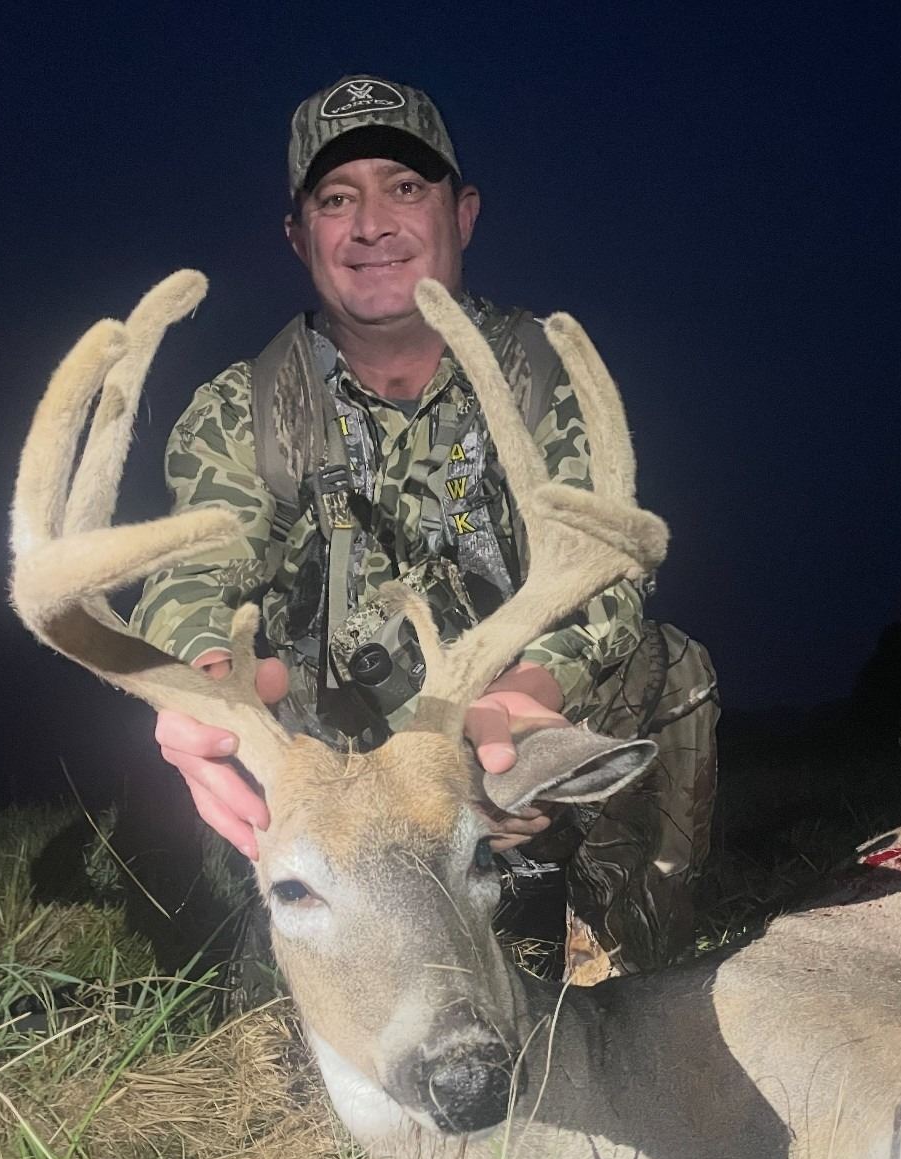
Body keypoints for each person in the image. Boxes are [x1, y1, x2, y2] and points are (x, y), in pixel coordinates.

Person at [133, 75, 718, 975]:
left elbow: (605, 563)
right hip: (337, 783)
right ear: (299, 236)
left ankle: (622, 975)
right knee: (277, 1025)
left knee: (669, 668)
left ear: (463, 213)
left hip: (500, 754)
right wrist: (208, 689)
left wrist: (526, 697)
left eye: (405, 188)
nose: (372, 224)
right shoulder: (244, 407)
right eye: (336, 199)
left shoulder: (546, 375)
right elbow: (193, 572)